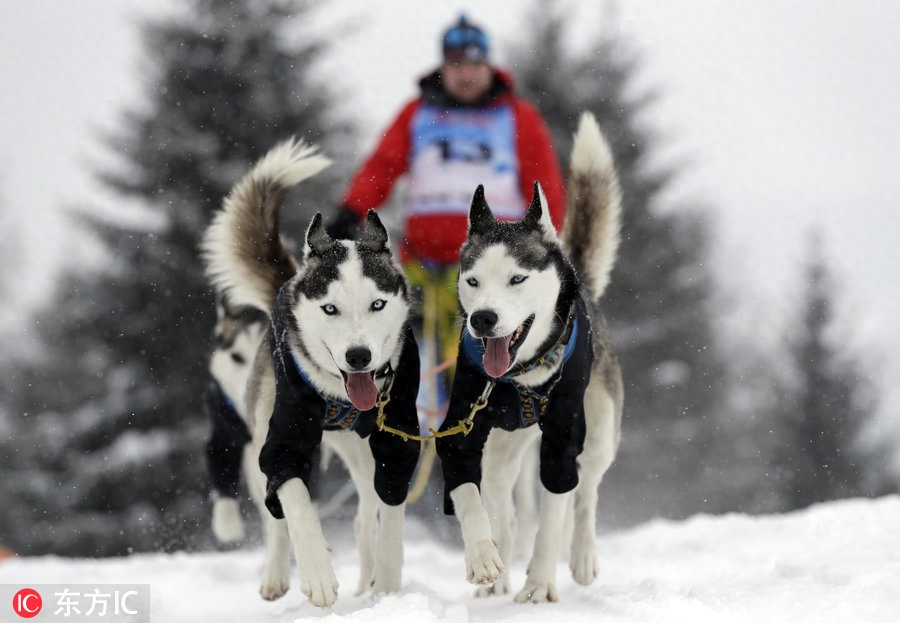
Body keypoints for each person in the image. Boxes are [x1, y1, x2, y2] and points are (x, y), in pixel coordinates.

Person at [329, 14, 566, 434]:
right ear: (443, 67)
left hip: (489, 266)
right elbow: (382, 167)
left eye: (474, 64)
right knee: (403, 356)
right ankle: (406, 444)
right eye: (457, 65)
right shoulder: (417, 113)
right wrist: (353, 209)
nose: (466, 74)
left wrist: (550, 236)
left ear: (489, 66)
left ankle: (480, 447)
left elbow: (543, 180)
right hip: (421, 261)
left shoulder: (518, 116)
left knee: (481, 361)